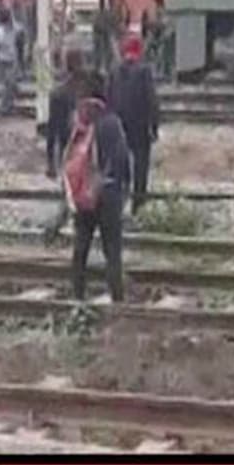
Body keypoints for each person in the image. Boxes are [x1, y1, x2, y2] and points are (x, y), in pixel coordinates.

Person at [59, 73, 130, 302]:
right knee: (112, 251)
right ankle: (117, 298)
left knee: (80, 249)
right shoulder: (112, 123)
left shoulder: (78, 124)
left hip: (82, 196)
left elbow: (67, 160)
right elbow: (120, 161)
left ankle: (77, 297)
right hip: (107, 196)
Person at [107, 34, 160, 213]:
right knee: (140, 166)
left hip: (118, 125)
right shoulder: (144, 71)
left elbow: (107, 99)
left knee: (117, 165)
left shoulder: (114, 71)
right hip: (140, 125)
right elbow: (152, 100)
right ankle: (138, 205)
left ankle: (117, 202)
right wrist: (154, 126)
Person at [46, 47, 85, 179]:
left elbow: (51, 131)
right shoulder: (90, 86)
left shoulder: (58, 93)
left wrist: (50, 162)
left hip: (67, 138)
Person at [0, 6, 18, 116]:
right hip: (3, 61)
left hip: (11, 59)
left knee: (10, 84)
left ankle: (9, 106)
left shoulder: (12, 28)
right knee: (6, 85)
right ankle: (3, 108)